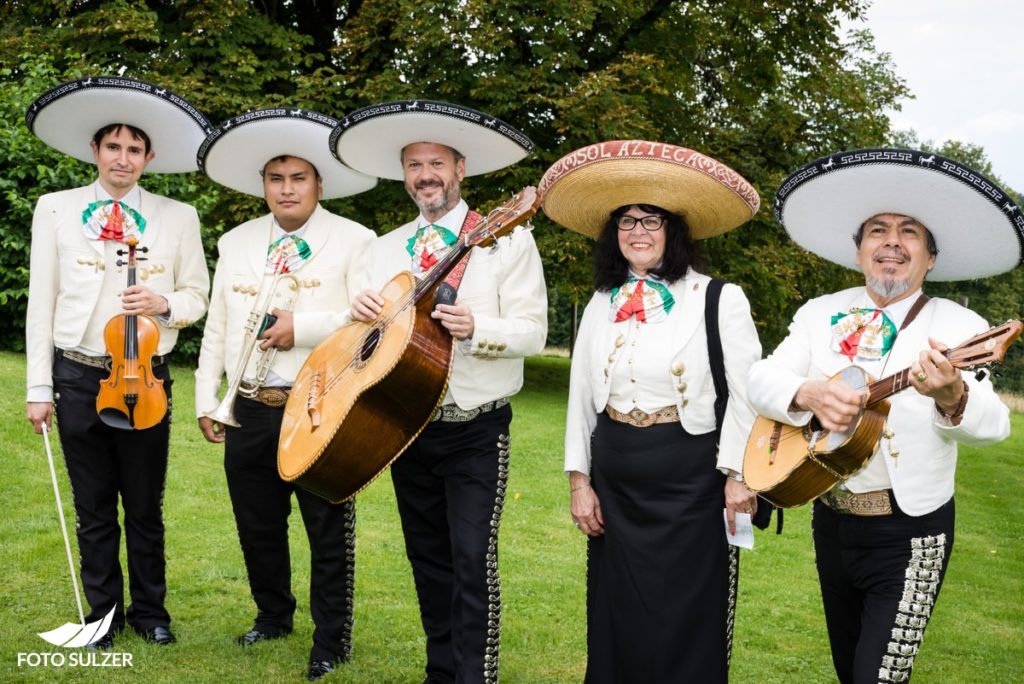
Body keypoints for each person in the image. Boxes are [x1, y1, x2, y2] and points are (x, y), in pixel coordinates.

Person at [747, 148, 1020, 683]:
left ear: (931, 258)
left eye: (909, 232)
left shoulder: (962, 326)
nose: (892, 242)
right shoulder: (820, 312)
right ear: (858, 251)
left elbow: (995, 425)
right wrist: (807, 393)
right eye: (878, 230)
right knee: (849, 669)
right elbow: (762, 379)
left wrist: (951, 396)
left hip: (912, 532)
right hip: (831, 521)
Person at [333, 100, 547, 684]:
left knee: (471, 559)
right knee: (426, 559)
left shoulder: (506, 239)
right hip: (405, 425)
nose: (424, 175)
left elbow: (534, 331)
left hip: (476, 427)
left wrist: (481, 328)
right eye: (413, 165)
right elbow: (361, 339)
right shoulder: (381, 248)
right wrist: (359, 315)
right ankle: (440, 671)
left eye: (436, 163)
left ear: (460, 169)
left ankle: (474, 676)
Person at [539, 140, 762, 682]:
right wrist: (578, 480)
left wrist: (739, 476)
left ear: (675, 230)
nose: (638, 231)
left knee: (688, 611)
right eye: (626, 222)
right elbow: (579, 399)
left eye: (651, 220)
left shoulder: (719, 298)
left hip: (692, 478)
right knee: (617, 610)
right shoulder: (600, 301)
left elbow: (748, 395)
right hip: (617, 477)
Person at [24, 77, 212, 649]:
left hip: (146, 378)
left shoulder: (177, 216)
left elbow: (198, 295)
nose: (123, 158)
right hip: (78, 372)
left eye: (135, 149)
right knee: (93, 505)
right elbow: (42, 301)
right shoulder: (55, 209)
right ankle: (101, 616)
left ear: (148, 157)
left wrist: (164, 304)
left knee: (145, 504)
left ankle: (151, 612)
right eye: (113, 146)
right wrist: (38, 386)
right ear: (96, 151)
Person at [194, 108, 376, 681]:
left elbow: (371, 320)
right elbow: (219, 326)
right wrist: (207, 397)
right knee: (257, 523)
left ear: (319, 184)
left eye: (299, 178)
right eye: (276, 178)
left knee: (327, 528)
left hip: (319, 404)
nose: (287, 188)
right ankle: (273, 615)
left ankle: (331, 638)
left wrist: (303, 326)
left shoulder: (356, 240)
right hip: (248, 404)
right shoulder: (235, 240)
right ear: (264, 186)